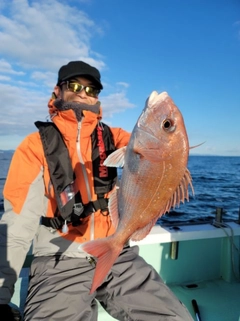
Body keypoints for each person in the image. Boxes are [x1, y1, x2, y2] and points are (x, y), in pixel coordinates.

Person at [0, 61, 194, 321]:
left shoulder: (118, 138)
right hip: (60, 261)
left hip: (119, 254)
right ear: (57, 91)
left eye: (92, 89)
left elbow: (161, 157)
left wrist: (172, 142)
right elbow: (17, 225)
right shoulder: (33, 147)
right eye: (75, 85)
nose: (83, 93)